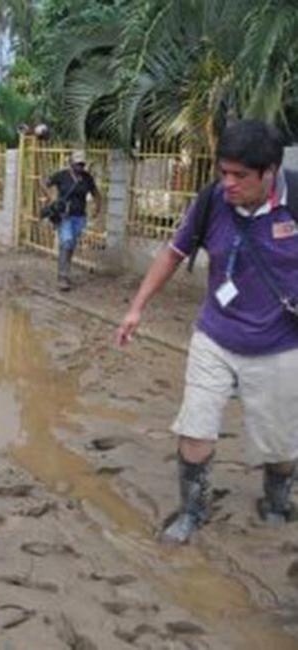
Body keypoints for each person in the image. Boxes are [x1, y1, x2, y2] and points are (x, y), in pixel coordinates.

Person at [116, 119, 298, 544]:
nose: (228, 184)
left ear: (269, 172)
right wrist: (136, 308)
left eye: (240, 176)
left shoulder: (297, 200)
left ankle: (275, 502)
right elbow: (173, 253)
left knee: (281, 446)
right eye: (223, 172)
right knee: (195, 430)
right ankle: (193, 510)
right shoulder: (211, 201)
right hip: (214, 337)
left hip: (280, 345)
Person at [41, 151, 103, 291]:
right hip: (65, 215)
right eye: (77, 164)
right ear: (71, 163)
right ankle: (62, 277)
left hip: (79, 216)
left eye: (82, 164)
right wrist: (51, 197)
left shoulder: (87, 178)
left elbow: (96, 193)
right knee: (67, 242)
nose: (80, 167)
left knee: (71, 244)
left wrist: (97, 208)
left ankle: (65, 268)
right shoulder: (62, 175)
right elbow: (44, 182)